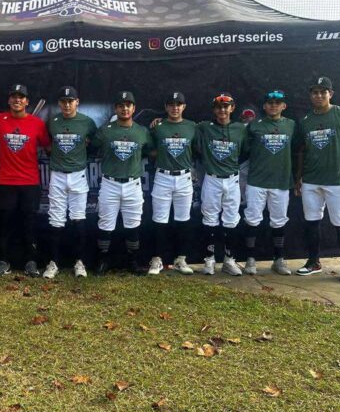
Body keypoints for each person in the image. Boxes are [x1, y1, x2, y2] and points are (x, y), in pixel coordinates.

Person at [295, 76, 340, 284]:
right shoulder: (305, 121)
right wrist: (298, 177)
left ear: (330, 94)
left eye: (323, 92)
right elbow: (301, 152)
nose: (319, 95)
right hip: (310, 180)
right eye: (315, 92)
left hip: (336, 180)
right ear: (310, 95)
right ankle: (314, 262)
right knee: (311, 221)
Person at [0, 84, 50, 277]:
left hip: (30, 182)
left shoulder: (37, 123)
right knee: (5, 224)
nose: (17, 100)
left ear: (27, 102)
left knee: (29, 223)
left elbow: (48, 147)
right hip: (6, 182)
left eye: (21, 97)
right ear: (9, 100)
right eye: (14, 97)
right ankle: (4, 261)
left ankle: (31, 261)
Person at [92, 91, 153, 275]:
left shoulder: (142, 131)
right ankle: (103, 260)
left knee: (133, 223)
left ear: (134, 108)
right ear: (115, 108)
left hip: (133, 183)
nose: (124, 108)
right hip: (110, 182)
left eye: (128, 105)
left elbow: (150, 151)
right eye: (120, 105)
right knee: (105, 223)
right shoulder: (105, 130)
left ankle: (133, 261)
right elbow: (92, 146)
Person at [43, 86, 97, 279]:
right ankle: (54, 262)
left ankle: (79, 262)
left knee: (78, 217)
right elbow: (47, 143)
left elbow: (95, 142)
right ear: (59, 103)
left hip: (78, 174)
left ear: (77, 102)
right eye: (63, 101)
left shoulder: (87, 122)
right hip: (57, 174)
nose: (67, 105)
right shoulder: (53, 122)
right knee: (55, 219)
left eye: (70, 101)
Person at [242, 90, 295, 276]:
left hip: (281, 181)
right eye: (270, 103)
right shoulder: (254, 125)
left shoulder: (291, 125)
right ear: (264, 106)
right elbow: (244, 150)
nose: (273, 105)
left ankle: (278, 259)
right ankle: (250, 259)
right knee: (252, 220)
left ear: (284, 106)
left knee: (279, 221)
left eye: (277, 103)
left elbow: (299, 150)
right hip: (257, 181)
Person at [197, 92, 247, 276]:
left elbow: (245, 151)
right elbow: (182, 127)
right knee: (209, 218)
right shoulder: (204, 127)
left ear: (232, 108)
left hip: (233, 179)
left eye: (226, 106)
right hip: (212, 179)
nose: (222, 110)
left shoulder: (240, 129)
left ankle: (229, 260)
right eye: (219, 107)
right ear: (214, 109)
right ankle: (209, 259)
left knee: (231, 220)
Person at [147, 91, 196, 276]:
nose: (175, 108)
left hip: (184, 177)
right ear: (166, 107)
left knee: (183, 219)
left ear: (184, 106)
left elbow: (197, 148)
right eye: (171, 104)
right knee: (159, 219)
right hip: (163, 176)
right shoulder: (158, 126)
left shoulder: (192, 126)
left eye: (178, 104)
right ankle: (157, 259)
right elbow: (149, 149)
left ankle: (180, 259)